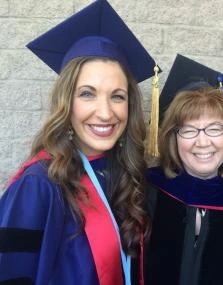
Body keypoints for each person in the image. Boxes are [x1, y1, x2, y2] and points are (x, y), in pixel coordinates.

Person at [0, 0, 157, 284]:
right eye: (87, 93)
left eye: (117, 96)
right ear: (66, 103)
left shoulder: (125, 175)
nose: (106, 112)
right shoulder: (39, 185)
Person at [141, 54, 223, 285]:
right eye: (189, 129)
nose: (203, 142)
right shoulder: (147, 193)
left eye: (215, 128)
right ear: (173, 138)